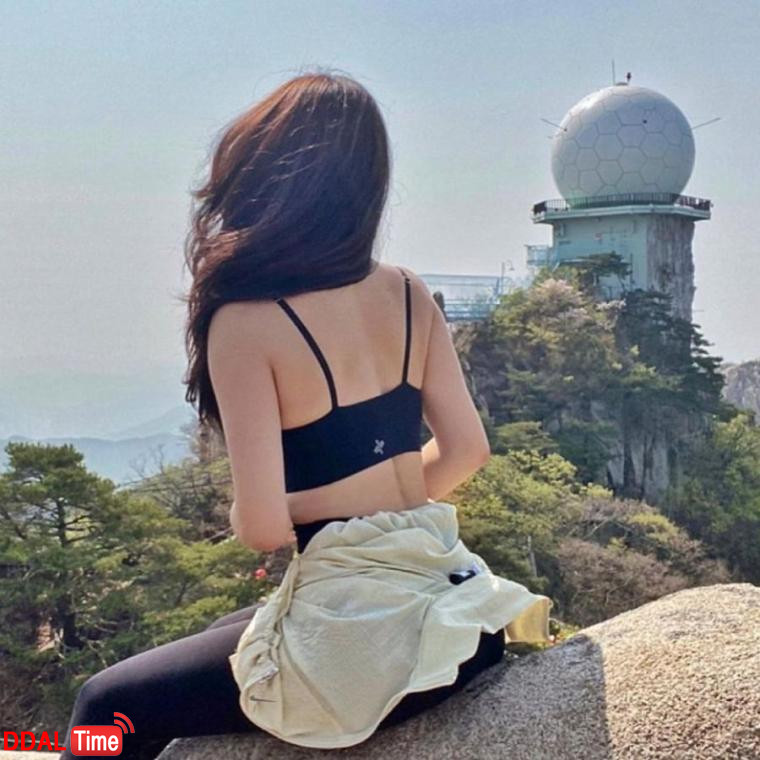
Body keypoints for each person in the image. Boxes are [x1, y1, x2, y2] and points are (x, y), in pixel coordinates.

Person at [60, 70, 552, 760]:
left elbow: (261, 527)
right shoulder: (409, 291)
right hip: (458, 612)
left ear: (263, 176)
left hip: (369, 636)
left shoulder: (247, 321)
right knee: (232, 632)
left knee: (104, 705)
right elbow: (467, 450)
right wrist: (379, 503)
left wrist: (319, 513)